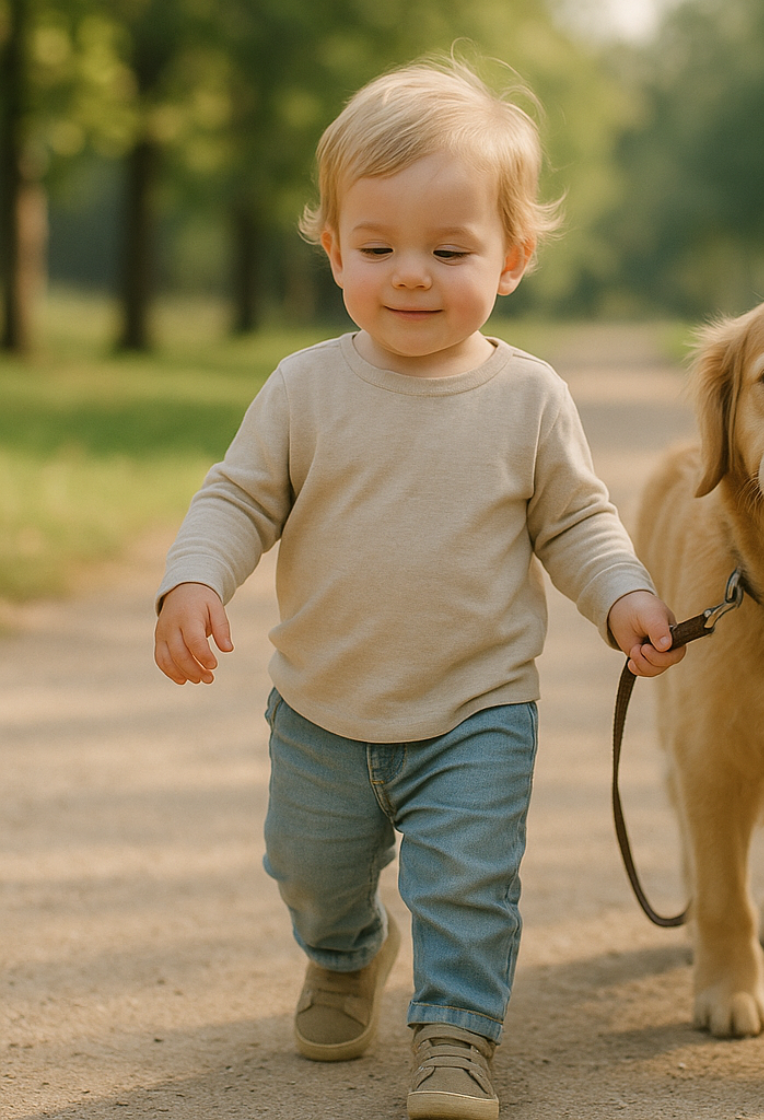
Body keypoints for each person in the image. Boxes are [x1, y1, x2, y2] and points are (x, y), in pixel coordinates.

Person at [153, 56, 683, 1120]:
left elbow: (575, 520)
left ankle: (455, 1035)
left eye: (449, 250)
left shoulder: (528, 397)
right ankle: (346, 953)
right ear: (332, 249)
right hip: (321, 708)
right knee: (307, 867)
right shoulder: (305, 387)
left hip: (475, 710)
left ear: (514, 256)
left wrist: (623, 595)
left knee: (467, 887)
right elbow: (238, 496)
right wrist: (191, 577)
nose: (409, 274)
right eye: (377, 246)